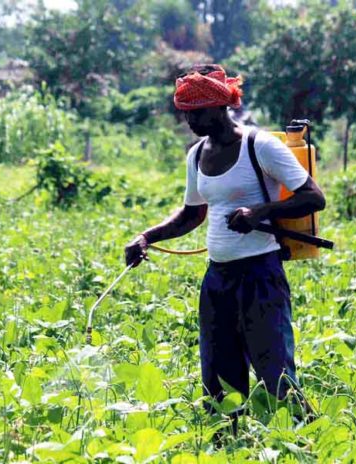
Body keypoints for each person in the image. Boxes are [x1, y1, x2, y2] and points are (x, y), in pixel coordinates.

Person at [125, 64, 325, 422]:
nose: (191, 121)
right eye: (186, 114)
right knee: (219, 378)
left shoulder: (258, 145)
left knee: (275, 373)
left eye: (197, 112)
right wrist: (146, 237)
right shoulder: (197, 154)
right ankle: (227, 447)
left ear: (220, 106)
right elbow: (191, 215)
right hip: (217, 279)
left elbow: (313, 197)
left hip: (260, 274)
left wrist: (259, 212)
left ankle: (309, 443)